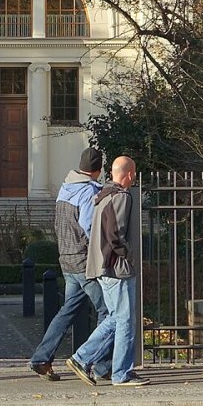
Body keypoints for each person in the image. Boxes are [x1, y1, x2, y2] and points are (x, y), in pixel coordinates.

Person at [28, 146, 112, 382]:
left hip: (65, 259)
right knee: (108, 312)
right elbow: (88, 227)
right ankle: (101, 365)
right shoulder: (88, 192)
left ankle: (41, 359)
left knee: (67, 312)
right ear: (98, 170)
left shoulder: (65, 188)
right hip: (84, 262)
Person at [66, 155, 147, 387]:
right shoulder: (121, 197)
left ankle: (81, 358)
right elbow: (116, 234)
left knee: (115, 318)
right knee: (125, 321)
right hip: (117, 268)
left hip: (101, 266)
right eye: (134, 173)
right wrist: (128, 253)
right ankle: (120, 373)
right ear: (129, 174)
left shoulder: (102, 195)